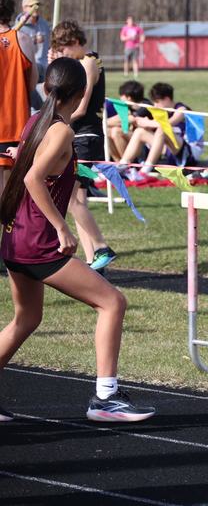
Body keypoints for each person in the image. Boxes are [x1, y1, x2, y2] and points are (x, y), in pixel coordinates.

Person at [0, 57, 155, 423]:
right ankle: (106, 398)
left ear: (46, 88)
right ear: (81, 94)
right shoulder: (62, 132)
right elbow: (33, 178)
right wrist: (61, 227)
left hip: (14, 238)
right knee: (112, 302)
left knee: (26, 318)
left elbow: (28, 166)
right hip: (38, 242)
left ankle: (106, 397)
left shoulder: (36, 122)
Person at [48, 20, 117, 271]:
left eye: (64, 49)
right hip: (78, 135)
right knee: (78, 200)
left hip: (86, 136)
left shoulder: (89, 62)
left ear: (75, 42)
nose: (63, 54)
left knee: (70, 200)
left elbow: (82, 106)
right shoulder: (79, 63)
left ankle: (101, 247)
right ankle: (93, 261)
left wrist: (54, 119)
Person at [0, 0, 38, 197]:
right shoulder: (23, 39)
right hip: (17, 125)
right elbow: (32, 84)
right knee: (12, 195)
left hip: (8, 128)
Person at [118, 82, 193, 180]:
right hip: (167, 148)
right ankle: (122, 166)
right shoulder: (161, 111)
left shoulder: (181, 109)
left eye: (157, 102)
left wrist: (148, 123)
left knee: (162, 129)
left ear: (166, 99)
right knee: (140, 132)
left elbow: (168, 124)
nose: (155, 105)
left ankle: (144, 171)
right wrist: (146, 125)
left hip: (185, 152)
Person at [13, 0, 49, 107]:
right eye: (32, 5)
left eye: (38, 4)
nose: (36, 8)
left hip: (44, 68)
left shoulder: (43, 24)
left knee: (45, 103)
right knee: (32, 103)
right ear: (24, 8)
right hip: (30, 68)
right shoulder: (18, 27)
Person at [103, 80, 152, 161]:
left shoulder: (145, 106)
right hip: (133, 140)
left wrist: (105, 122)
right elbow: (120, 119)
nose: (120, 99)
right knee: (107, 131)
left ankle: (127, 165)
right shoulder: (129, 106)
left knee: (116, 131)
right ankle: (119, 164)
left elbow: (129, 119)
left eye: (121, 96)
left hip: (145, 146)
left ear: (128, 97)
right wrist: (105, 123)